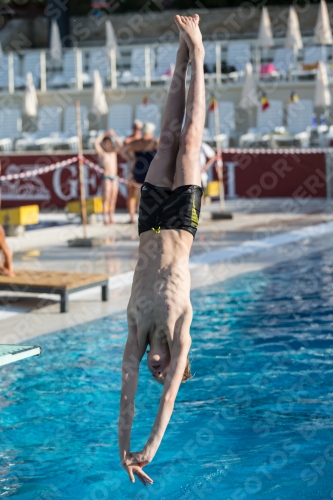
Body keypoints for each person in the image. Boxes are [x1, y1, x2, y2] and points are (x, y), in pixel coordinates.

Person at [118, 14, 205, 486]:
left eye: (157, 372)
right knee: (190, 138)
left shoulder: (136, 332)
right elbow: (168, 400)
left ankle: (178, 53)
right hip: (181, 222)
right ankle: (200, 55)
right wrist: (151, 448)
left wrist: (124, 452)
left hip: (150, 218)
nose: (156, 371)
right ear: (176, 361)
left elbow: (127, 398)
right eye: (164, 370)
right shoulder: (181, 328)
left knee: (168, 134)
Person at [120, 122, 159, 224]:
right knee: (150, 194)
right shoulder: (155, 142)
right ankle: (148, 216)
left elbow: (122, 152)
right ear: (151, 132)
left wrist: (131, 158)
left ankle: (132, 217)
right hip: (151, 171)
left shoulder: (135, 143)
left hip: (137, 169)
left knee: (132, 194)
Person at [94, 130, 123, 225]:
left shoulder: (113, 152)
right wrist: (104, 135)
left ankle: (111, 217)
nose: (107, 145)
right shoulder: (102, 153)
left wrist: (113, 135)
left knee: (113, 198)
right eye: (105, 144)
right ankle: (105, 218)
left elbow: (120, 144)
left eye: (109, 143)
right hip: (106, 177)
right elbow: (95, 143)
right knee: (106, 197)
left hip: (114, 177)